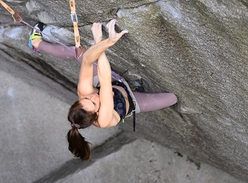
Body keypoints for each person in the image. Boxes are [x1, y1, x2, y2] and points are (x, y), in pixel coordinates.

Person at [28, 19, 177, 161]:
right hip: (128, 100)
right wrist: (105, 42)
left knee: (79, 52)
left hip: (112, 84)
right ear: (96, 115)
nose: (92, 97)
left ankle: (36, 42)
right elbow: (105, 80)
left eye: (86, 99)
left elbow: (87, 60)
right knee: (172, 98)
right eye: (93, 103)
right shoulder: (104, 119)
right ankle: (133, 89)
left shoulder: (85, 93)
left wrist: (99, 42)